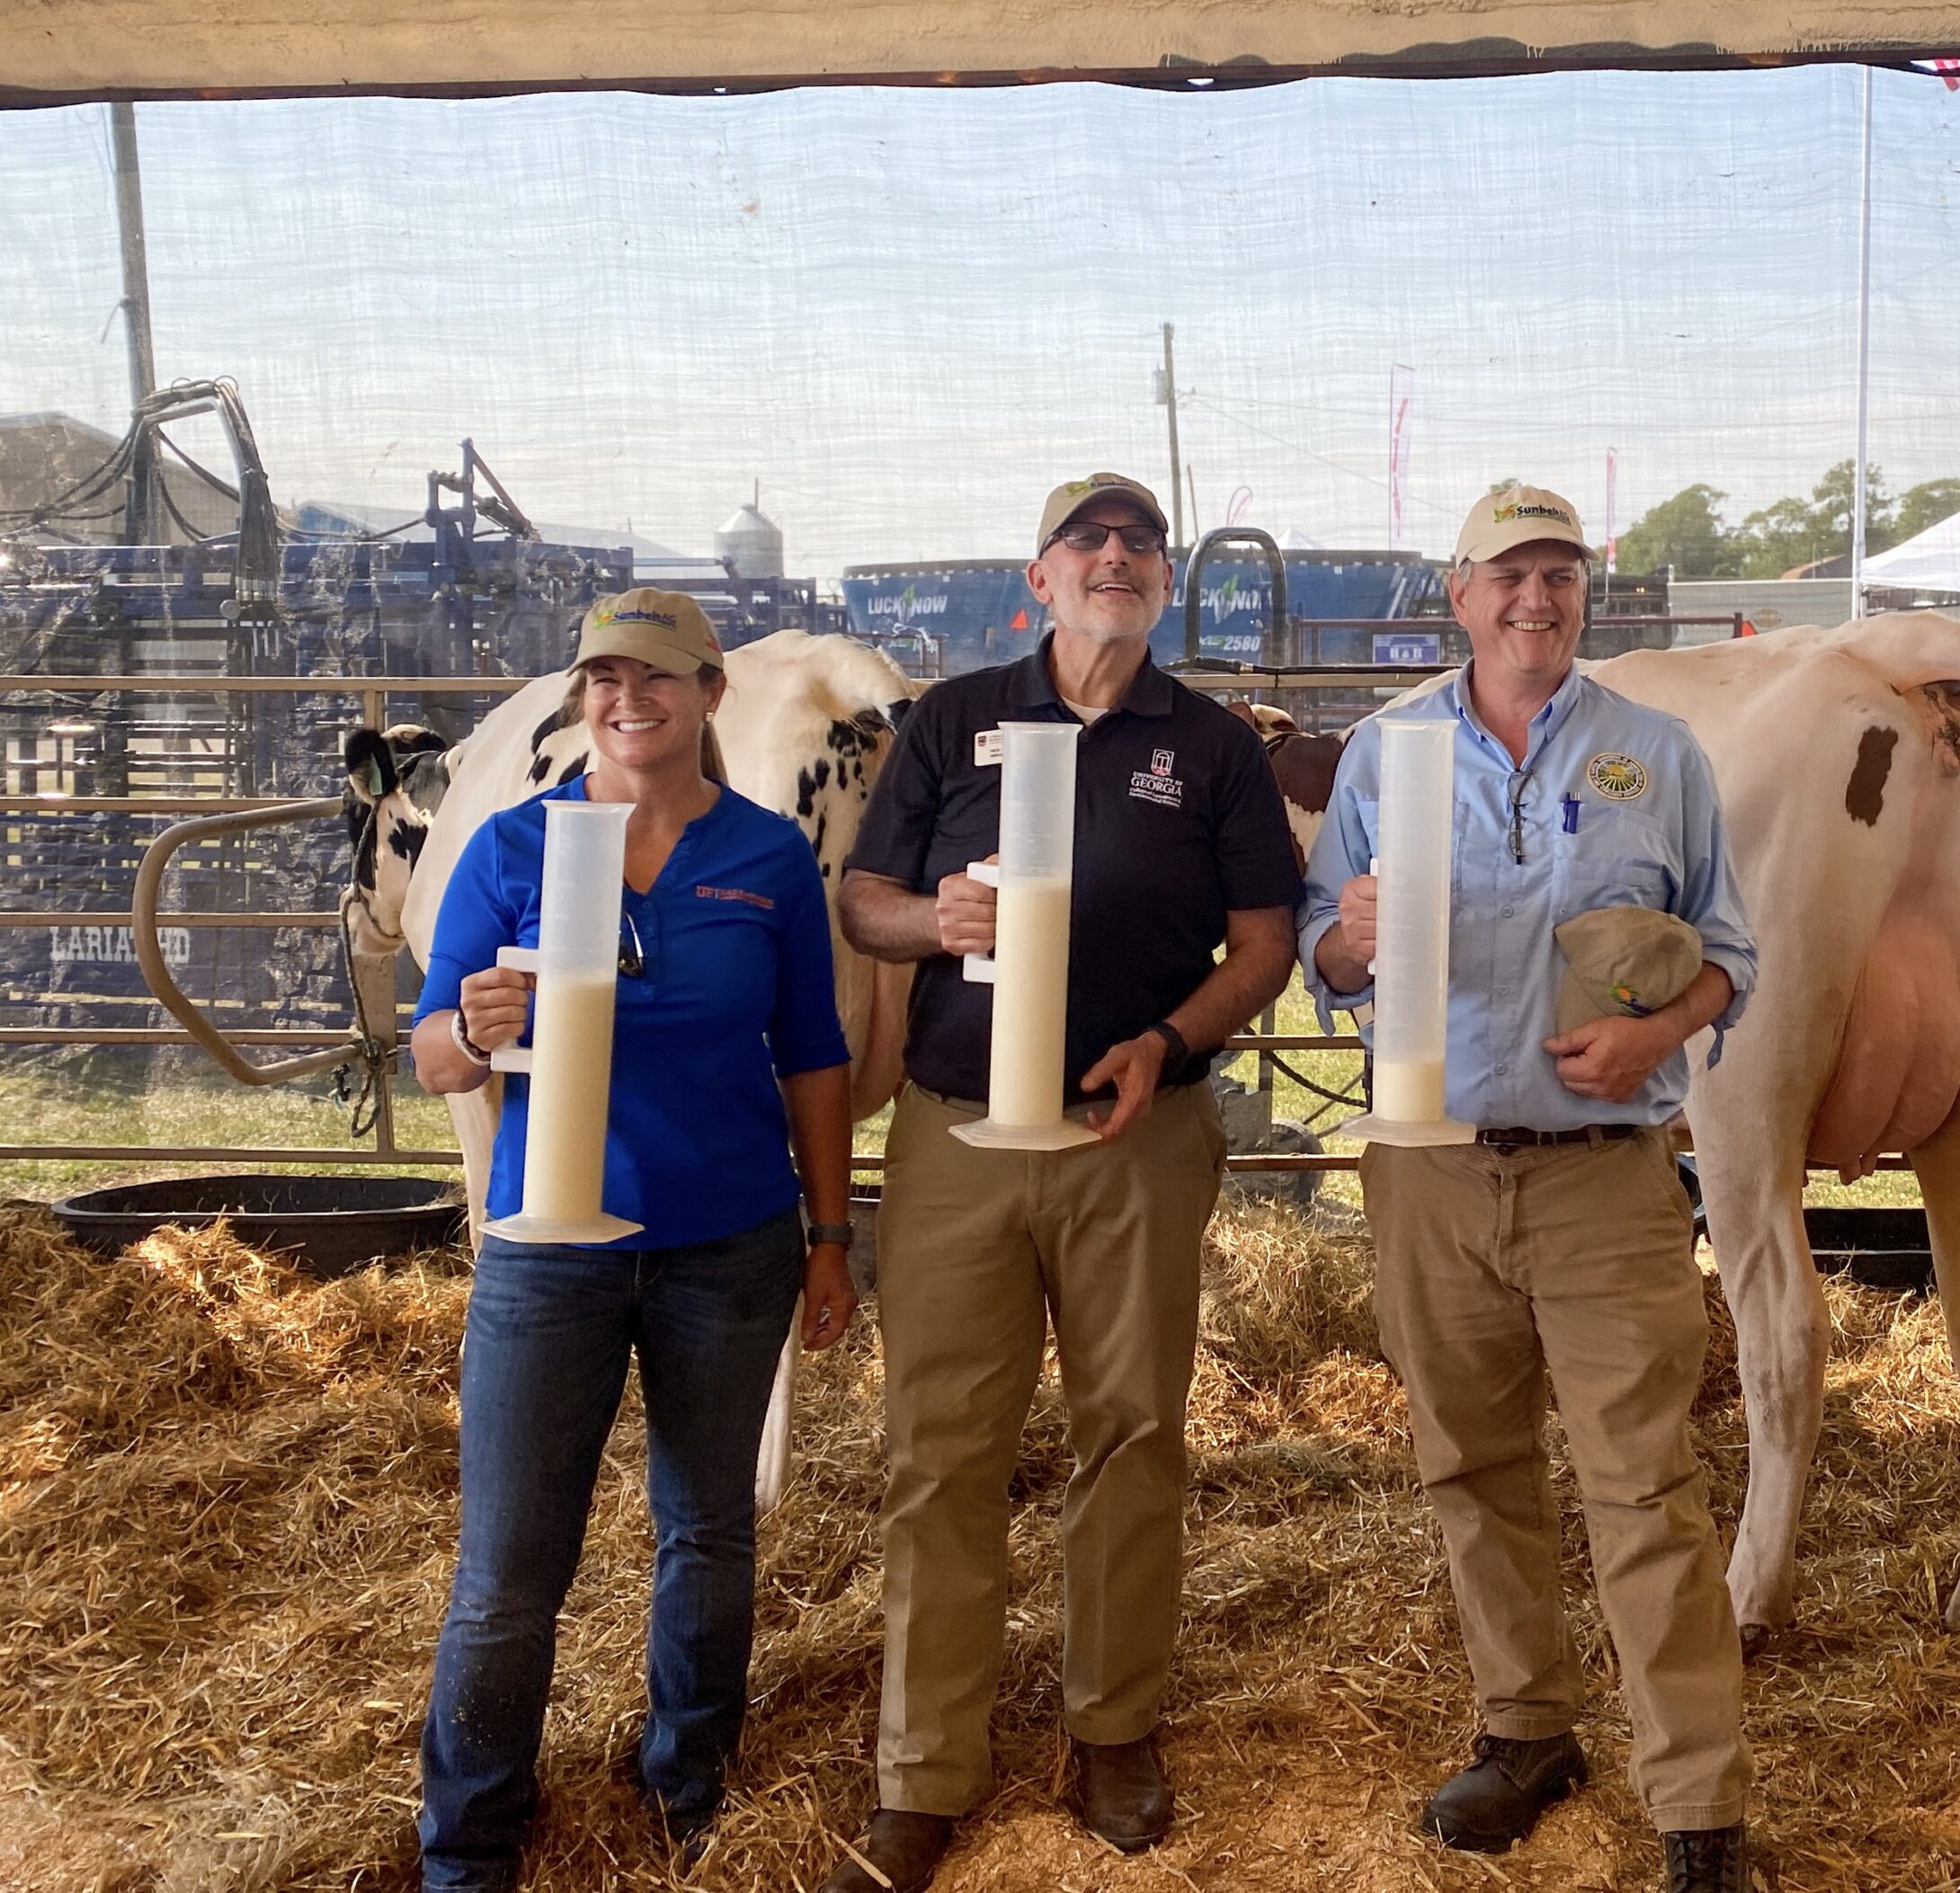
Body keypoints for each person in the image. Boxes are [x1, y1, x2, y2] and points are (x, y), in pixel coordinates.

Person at [822, 474, 1303, 1892]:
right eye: (1088, 541)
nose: (1115, 559)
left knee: (1134, 1431)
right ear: (1039, 575)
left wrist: (1169, 1041)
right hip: (958, 1132)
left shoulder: (1209, 746)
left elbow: (1266, 942)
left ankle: (1114, 1725)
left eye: (1139, 544)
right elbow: (860, 898)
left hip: (1130, 1136)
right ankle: (926, 1768)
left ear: (1164, 584)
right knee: (941, 1448)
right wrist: (929, 915)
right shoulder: (953, 714)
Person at [1300, 485, 1763, 1892]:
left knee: (1646, 1489)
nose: (1535, 600)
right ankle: (1526, 1729)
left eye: (1558, 574)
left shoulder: (1658, 754)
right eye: (1509, 574)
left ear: (1582, 595)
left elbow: (1729, 951)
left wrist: (1656, 1030)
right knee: (1471, 1467)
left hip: (1604, 1176)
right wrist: (1349, 939)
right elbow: (1322, 957)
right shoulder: (1387, 755)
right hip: (1429, 1168)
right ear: (1460, 593)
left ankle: (1698, 1803)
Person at [410, 587, 860, 1892]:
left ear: (709, 695)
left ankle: (692, 1783)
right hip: (549, 1255)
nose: (629, 697)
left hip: (728, 1243)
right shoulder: (512, 847)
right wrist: (476, 1027)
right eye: (605, 675)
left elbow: (815, 1060)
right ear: (582, 697)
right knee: (507, 1562)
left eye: (658, 676)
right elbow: (433, 1051)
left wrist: (829, 1235)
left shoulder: (768, 858)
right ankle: (470, 1834)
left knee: (708, 1527)